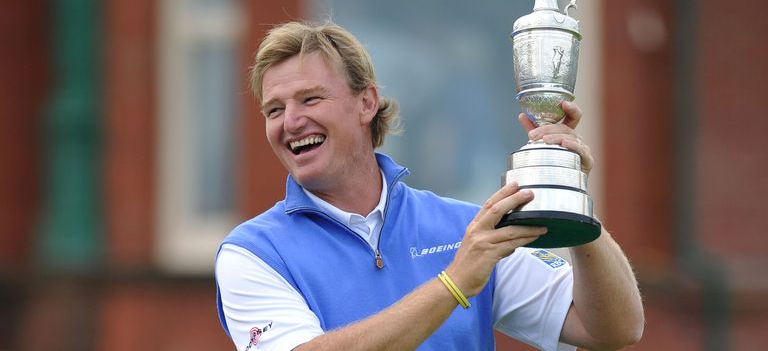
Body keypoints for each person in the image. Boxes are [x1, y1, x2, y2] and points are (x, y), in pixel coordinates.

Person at [215, 21, 644, 351]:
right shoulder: (252, 252)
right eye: (274, 109)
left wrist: (571, 201)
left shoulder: (465, 230)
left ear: (366, 102)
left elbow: (614, 328)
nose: (290, 121)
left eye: (310, 99)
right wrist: (455, 282)